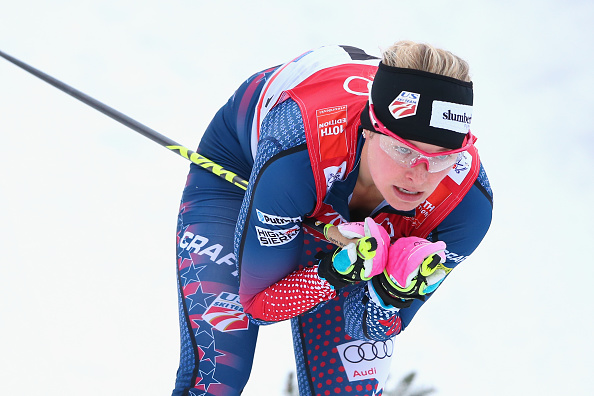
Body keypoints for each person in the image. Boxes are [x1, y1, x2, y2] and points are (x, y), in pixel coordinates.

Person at [172, 41, 493, 396]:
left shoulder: (465, 206)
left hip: (318, 194)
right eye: (403, 150)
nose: (418, 175)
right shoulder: (299, 149)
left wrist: (387, 295)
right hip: (247, 172)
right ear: (370, 128)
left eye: (441, 158)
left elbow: (365, 326)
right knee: (218, 375)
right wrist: (335, 272)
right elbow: (259, 304)